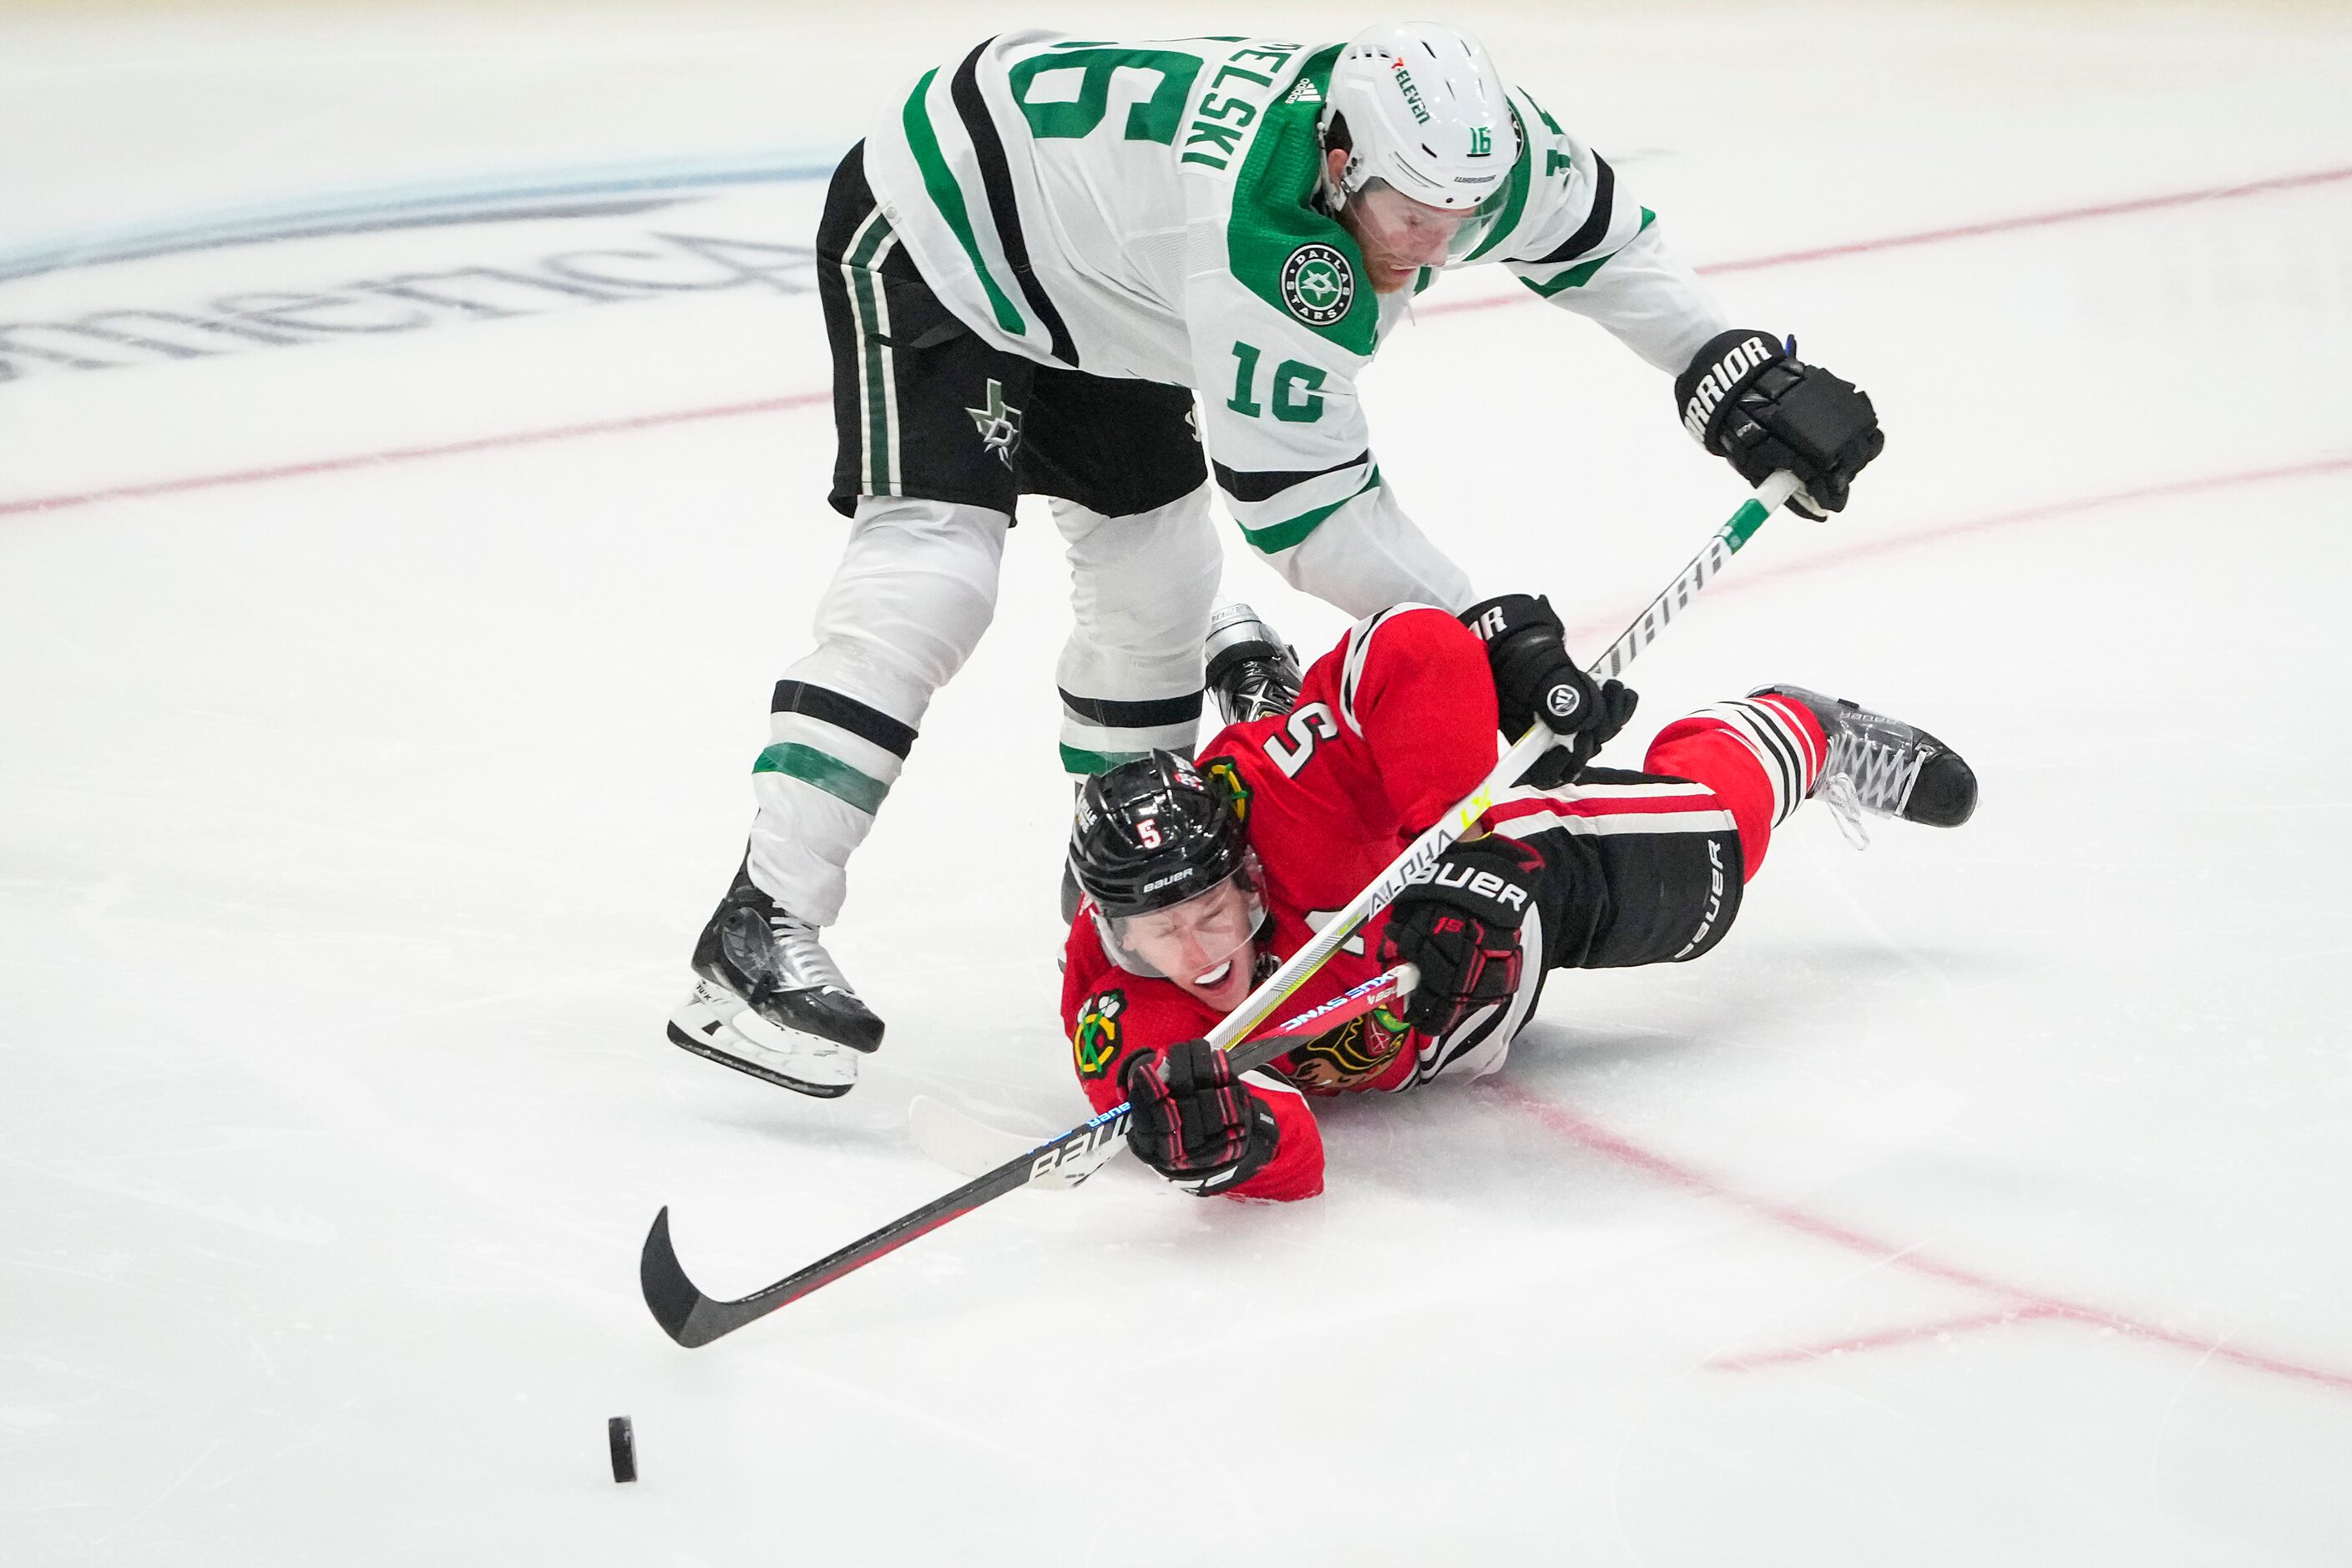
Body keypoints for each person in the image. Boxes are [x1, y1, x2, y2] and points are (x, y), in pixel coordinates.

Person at [670, 22, 1887, 1097]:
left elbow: (1602, 243)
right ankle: (760, 918)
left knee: (1156, 579)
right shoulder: (1265, 248)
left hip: (1091, 260)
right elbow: (1306, 511)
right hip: (939, 226)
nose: (1434, 242)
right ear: (1340, 161)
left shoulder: (1467, 154)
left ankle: (1123, 868)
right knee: (938, 565)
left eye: (1461, 216)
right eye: (1411, 215)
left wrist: (1722, 365)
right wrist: (1486, 630)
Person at [1062, 595, 1975, 1199]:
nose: (1196, 955)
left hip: (1515, 904)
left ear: (1251, 876)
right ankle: (1264, 688)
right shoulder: (1120, 1010)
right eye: (1157, 936)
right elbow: (1292, 1154)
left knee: (1711, 872)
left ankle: (1796, 727)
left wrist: (1463, 844)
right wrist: (1230, 1144)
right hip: (1429, 1008)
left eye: (1211, 913)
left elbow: (1417, 641)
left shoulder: (1287, 804)